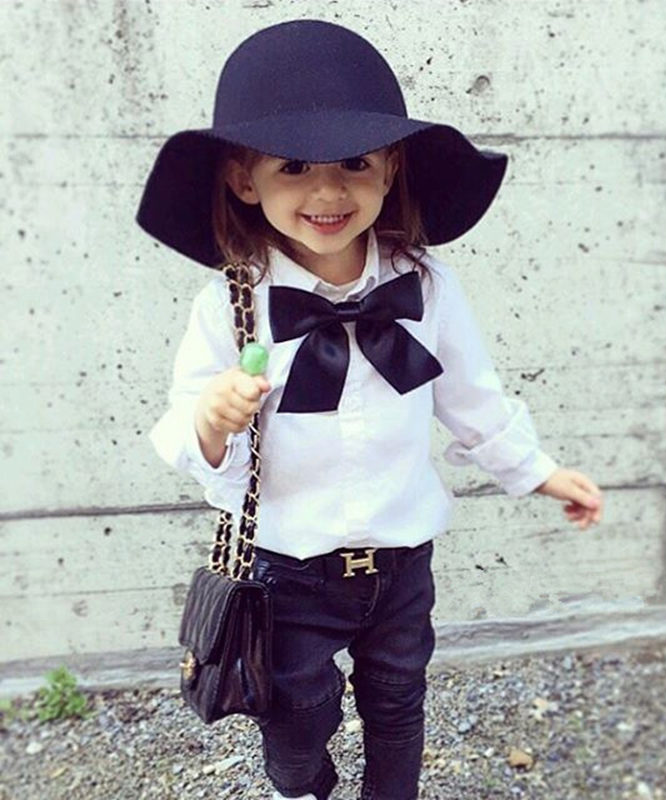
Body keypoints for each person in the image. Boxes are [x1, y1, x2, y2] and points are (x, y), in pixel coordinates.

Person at [138, 18, 604, 800]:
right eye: (293, 167)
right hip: (289, 569)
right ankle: (302, 785)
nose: (328, 192)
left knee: (398, 701)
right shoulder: (231, 305)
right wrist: (213, 419)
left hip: (401, 563)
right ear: (245, 180)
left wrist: (540, 472)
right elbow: (186, 430)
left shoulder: (426, 287)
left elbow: (472, 397)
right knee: (296, 716)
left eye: (355, 163)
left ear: (390, 169)